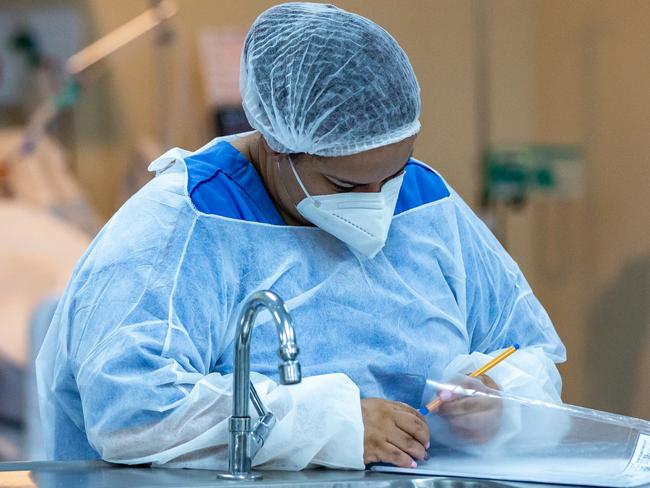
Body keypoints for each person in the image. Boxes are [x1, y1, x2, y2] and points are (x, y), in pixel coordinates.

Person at [36, 2, 566, 471]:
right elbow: (131, 410)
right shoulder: (184, 224)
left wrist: (499, 399)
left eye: (395, 172)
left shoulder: (427, 203)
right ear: (274, 141)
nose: (379, 200)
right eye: (345, 183)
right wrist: (328, 426)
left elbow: (528, 348)